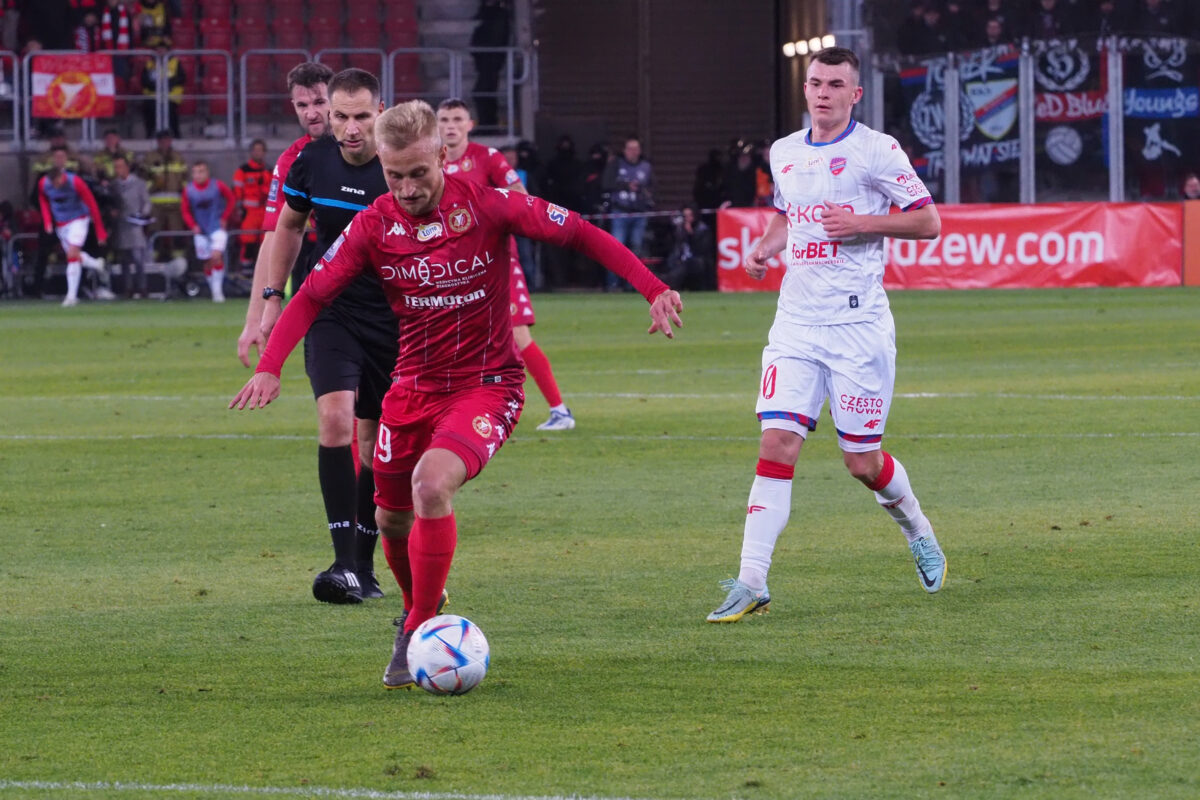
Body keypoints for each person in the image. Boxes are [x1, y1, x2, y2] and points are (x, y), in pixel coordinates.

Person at [229, 99, 684, 691]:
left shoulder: (487, 205)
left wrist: (652, 286)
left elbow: (580, 232)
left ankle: (416, 625)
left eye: (419, 172)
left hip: (486, 385)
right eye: (395, 176)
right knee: (390, 518)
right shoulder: (374, 225)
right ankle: (423, 603)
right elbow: (312, 295)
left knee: (430, 484)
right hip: (411, 388)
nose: (408, 187)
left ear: (442, 155)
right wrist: (270, 366)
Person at [706, 46, 947, 624]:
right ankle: (751, 580)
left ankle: (918, 528)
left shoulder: (877, 151)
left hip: (858, 327)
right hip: (795, 325)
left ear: (854, 94)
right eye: (815, 83)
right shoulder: (784, 151)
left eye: (835, 84)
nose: (822, 93)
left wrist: (863, 222)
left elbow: (928, 221)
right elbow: (788, 213)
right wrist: (768, 242)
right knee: (777, 445)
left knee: (862, 463)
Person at [258, 68, 394, 604]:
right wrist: (273, 297)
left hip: (393, 320)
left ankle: (364, 564)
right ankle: (342, 566)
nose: (351, 127)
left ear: (380, 111)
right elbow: (289, 226)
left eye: (362, 115)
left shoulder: (401, 166)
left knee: (372, 440)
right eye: (341, 116)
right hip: (331, 310)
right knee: (334, 420)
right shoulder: (310, 160)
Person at [437, 98, 577, 431]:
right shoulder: (432, 163)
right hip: (452, 267)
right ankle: (458, 410)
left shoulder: (488, 159)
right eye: (444, 119)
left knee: (517, 335)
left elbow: (520, 196)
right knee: (453, 337)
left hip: (496, 261)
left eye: (457, 119)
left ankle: (560, 410)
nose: (450, 126)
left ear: (470, 124)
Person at [237, 60, 333, 368]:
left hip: (380, 276)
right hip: (322, 274)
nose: (311, 113)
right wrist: (255, 317)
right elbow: (273, 237)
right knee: (337, 405)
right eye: (302, 105)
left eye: (319, 102)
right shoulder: (293, 160)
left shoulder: (370, 146)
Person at [37, 145, 110, 307]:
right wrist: (47, 220)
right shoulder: (44, 184)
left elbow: (92, 204)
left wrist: (100, 231)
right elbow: (43, 200)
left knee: (71, 255)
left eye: (57, 182)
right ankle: (97, 264)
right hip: (61, 224)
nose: (56, 186)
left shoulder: (75, 182)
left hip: (79, 219)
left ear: (61, 177)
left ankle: (71, 297)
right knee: (75, 255)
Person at [602, 136, 654, 291]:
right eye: (630, 149)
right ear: (624, 151)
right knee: (616, 247)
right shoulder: (616, 164)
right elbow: (606, 183)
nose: (633, 152)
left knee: (636, 249)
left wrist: (647, 195)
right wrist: (625, 186)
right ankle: (612, 283)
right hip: (620, 211)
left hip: (639, 212)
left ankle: (633, 284)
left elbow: (653, 188)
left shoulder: (646, 166)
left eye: (636, 149)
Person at [181, 160, 235, 302]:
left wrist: (225, 218)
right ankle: (213, 291)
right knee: (206, 261)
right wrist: (192, 225)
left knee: (216, 256)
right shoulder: (189, 190)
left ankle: (218, 293)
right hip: (200, 230)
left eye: (201, 171)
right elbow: (185, 210)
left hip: (217, 227)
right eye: (196, 172)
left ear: (207, 172)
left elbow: (231, 199)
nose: (198, 175)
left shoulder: (217, 185)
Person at [140, 128, 187, 259]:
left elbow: (184, 179)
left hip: (175, 203)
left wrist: (183, 195)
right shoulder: (149, 158)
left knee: (177, 233)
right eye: (162, 140)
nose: (165, 142)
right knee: (154, 232)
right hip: (156, 203)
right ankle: (152, 260)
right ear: (158, 141)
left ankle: (179, 262)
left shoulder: (178, 157)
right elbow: (143, 179)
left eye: (167, 139)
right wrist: (154, 184)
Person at [110, 153, 152, 297]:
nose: (118, 170)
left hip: (135, 224)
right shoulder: (114, 185)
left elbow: (146, 201)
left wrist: (142, 214)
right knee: (124, 259)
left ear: (127, 167)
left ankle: (142, 287)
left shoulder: (139, 183)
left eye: (120, 166)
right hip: (121, 225)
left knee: (138, 258)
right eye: (116, 167)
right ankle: (127, 288)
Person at [232, 138, 270, 267]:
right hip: (248, 213)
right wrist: (239, 211)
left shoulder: (269, 171)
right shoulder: (243, 171)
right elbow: (237, 193)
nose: (258, 153)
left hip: (265, 212)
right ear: (251, 152)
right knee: (248, 242)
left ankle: (263, 270)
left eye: (260, 150)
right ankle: (246, 270)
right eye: (255, 150)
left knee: (265, 244)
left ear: (264, 152)